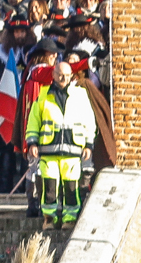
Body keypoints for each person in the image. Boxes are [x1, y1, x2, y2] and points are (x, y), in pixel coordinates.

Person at [26, 58, 97, 228]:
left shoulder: (80, 94)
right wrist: (32, 143)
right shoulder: (43, 95)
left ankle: (69, 218)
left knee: (71, 185)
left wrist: (88, 144)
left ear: (71, 76)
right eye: (60, 75)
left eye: (66, 75)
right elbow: (33, 121)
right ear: (53, 75)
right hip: (48, 148)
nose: (63, 78)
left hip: (73, 149)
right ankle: (49, 218)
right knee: (49, 185)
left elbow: (89, 120)